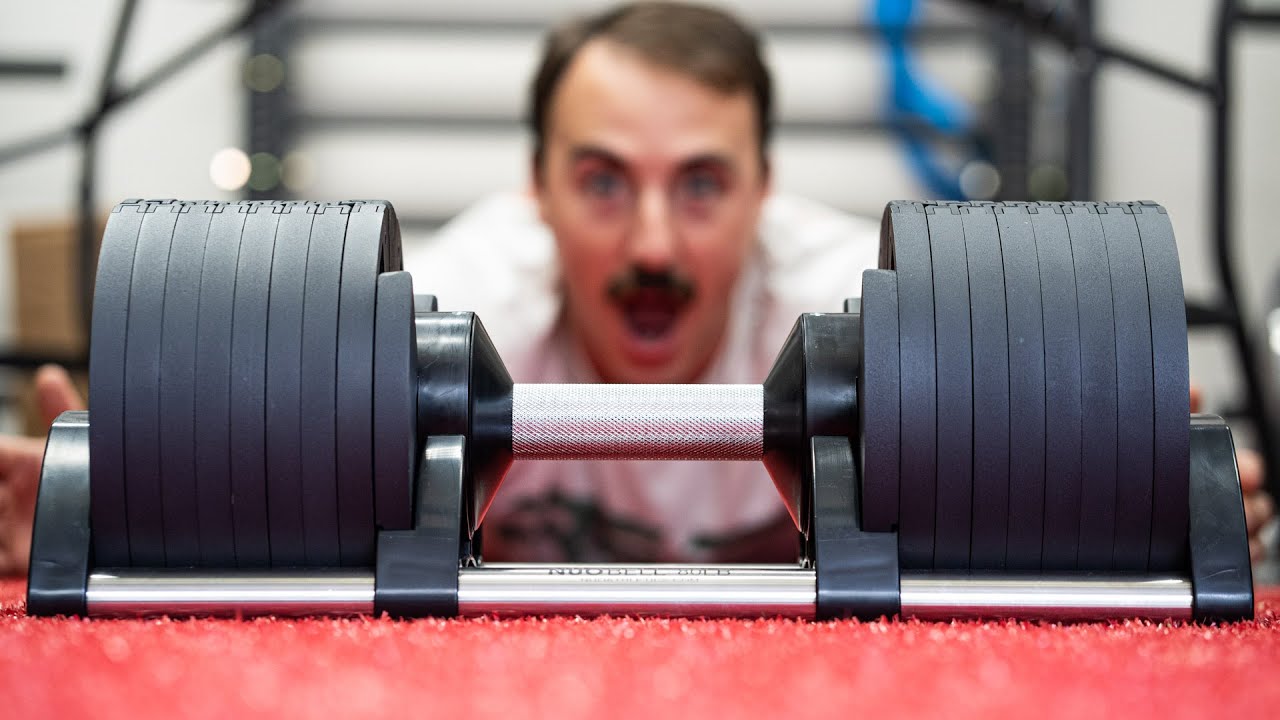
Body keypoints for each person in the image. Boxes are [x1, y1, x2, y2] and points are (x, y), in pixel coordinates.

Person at [0, 1, 1272, 572]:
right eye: (602, 182)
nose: (654, 241)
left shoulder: (867, 308)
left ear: (766, 187)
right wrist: (122, 493)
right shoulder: (447, 306)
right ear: (535, 188)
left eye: (703, 184)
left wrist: (1141, 492)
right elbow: (239, 463)